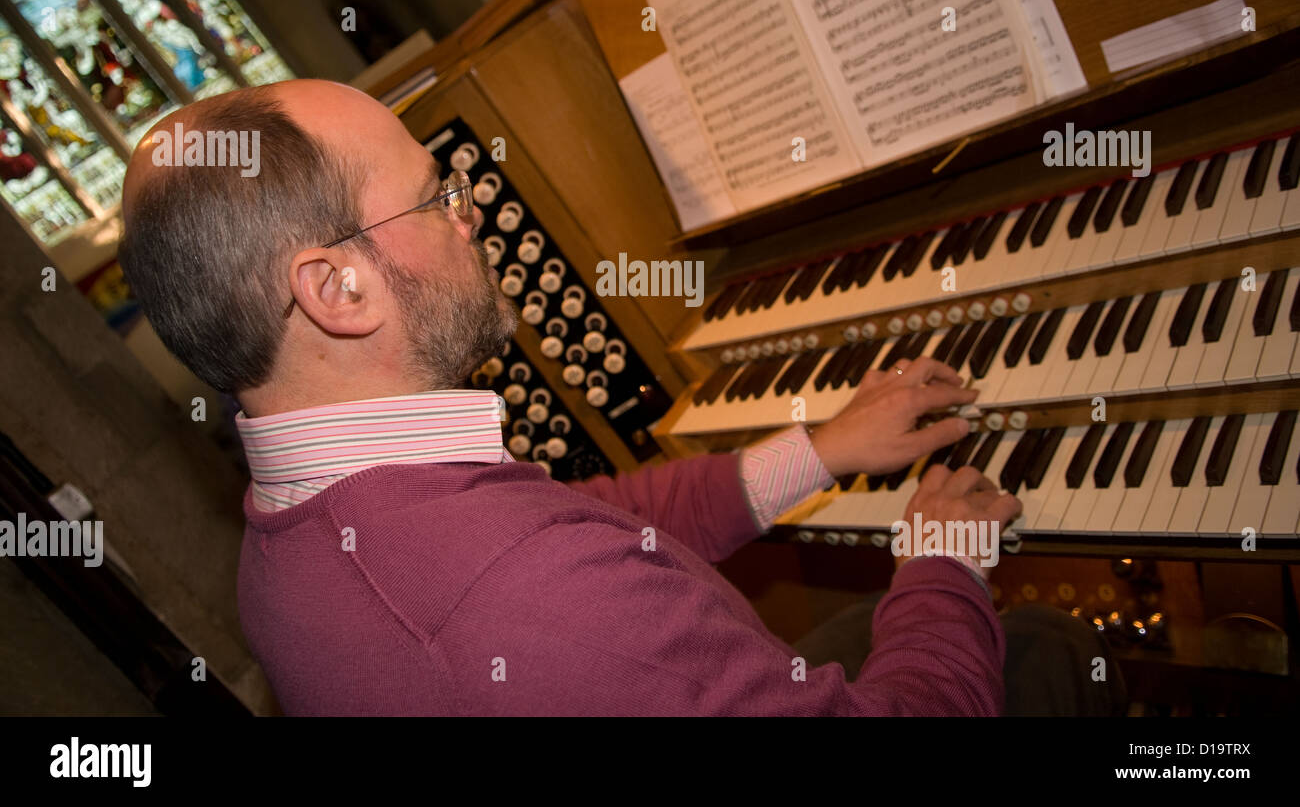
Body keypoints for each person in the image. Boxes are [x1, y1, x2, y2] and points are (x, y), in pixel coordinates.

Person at [118, 79, 1118, 715]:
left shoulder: (292, 529)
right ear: (337, 289)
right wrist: (942, 563)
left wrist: (818, 451)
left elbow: (589, 523)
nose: (472, 220)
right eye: (436, 198)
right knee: (1048, 649)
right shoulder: (526, 600)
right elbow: (566, 576)